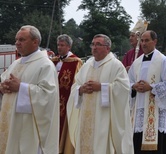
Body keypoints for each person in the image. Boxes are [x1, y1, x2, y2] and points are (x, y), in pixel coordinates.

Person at [67, 34, 133, 153]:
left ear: (107, 48)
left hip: (104, 118)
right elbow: (75, 85)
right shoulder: (87, 65)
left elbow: (123, 89)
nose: (94, 47)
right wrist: (81, 89)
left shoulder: (116, 65)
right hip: (85, 119)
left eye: (98, 44)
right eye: (93, 44)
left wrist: (102, 87)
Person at [0, 25, 59, 153]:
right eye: (16, 40)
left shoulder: (45, 64)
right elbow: (3, 81)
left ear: (35, 42)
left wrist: (21, 88)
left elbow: (48, 95)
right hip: (11, 123)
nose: (17, 43)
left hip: (29, 127)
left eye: (22, 40)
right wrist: (2, 87)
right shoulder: (16, 63)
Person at [129, 30, 166, 153]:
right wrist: (134, 86)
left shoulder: (163, 60)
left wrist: (152, 87)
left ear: (155, 41)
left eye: (147, 40)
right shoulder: (136, 62)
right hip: (139, 110)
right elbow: (128, 83)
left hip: (155, 113)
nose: (143, 44)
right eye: (142, 41)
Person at [51, 34, 83, 153]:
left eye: (62, 45)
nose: (59, 47)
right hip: (52, 99)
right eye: (58, 45)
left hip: (66, 101)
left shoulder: (76, 62)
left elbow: (77, 82)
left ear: (69, 47)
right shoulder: (53, 61)